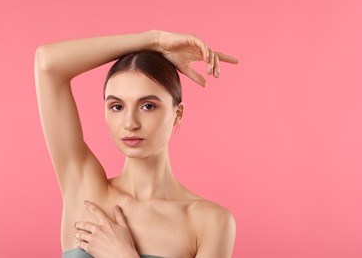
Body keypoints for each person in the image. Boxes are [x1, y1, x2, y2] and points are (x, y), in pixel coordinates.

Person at [34, 29, 238, 258]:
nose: (130, 123)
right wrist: (155, 41)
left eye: (147, 106)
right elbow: (47, 63)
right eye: (117, 106)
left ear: (177, 114)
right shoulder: (84, 188)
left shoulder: (209, 222)